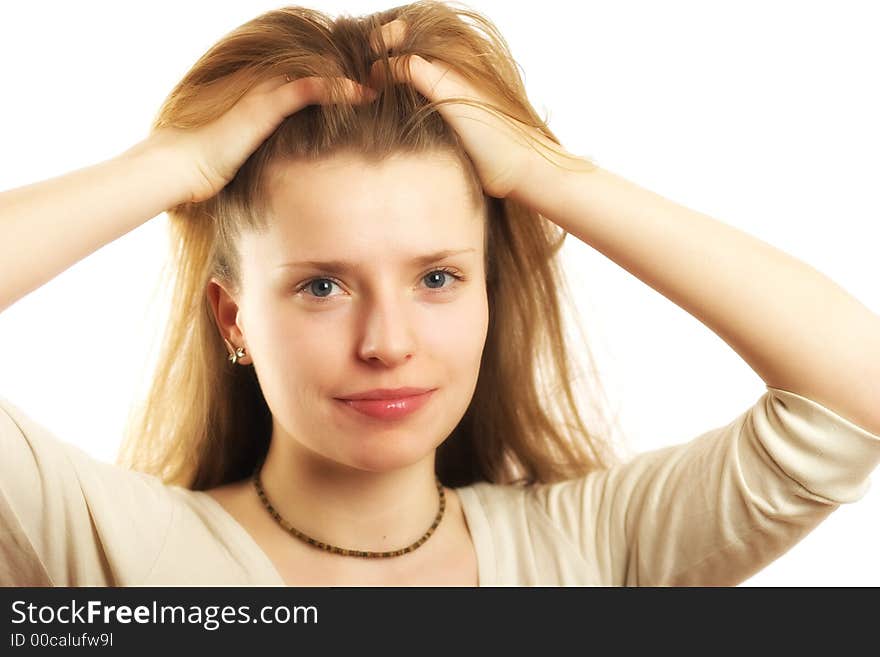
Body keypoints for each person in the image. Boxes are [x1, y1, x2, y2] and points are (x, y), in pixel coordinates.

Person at [1, 0, 879, 587]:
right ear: (234, 318)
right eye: (320, 285)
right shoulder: (110, 552)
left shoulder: (590, 550)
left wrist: (549, 174)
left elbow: (856, 391)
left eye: (436, 277)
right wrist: (170, 165)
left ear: (488, 294)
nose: (388, 341)